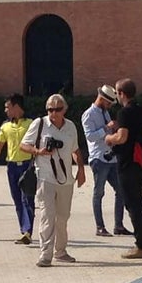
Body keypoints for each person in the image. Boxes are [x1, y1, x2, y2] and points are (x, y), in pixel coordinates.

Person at [24, 92, 86, 266]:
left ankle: (61, 251)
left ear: (64, 109)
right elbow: (24, 144)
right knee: (47, 215)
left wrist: (81, 169)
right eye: (50, 109)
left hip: (66, 179)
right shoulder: (40, 124)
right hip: (45, 177)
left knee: (63, 217)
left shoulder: (71, 127)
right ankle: (45, 254)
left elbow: (75, 149)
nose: (54, 113)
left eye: (57, 109)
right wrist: (38, 152)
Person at [102, 77, 142, 259]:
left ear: (122, 94)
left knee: (133, 206)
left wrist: (109, 138)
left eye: (117, 93)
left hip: (129, 165)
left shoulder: (125, 113)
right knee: (137, 205)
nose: (116, 96)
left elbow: (123, 138)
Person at [0, 94, 37, 245]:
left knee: (26, 198)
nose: (5, 110)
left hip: (28, 165)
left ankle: (28, 231)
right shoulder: (5, 126)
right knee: (17, 199)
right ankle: (24, 230)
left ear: (16, 107)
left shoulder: (32, 123)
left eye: (7, 107)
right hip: (12, 166)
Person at [81, 85, 127, 238]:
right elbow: (90, 136)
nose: (109, 106)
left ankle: (118, 225)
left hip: (110, 157)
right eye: (108, 103)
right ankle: (100, 227)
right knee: (99, 193)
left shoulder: (105, 112)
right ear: (102, 99)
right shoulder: (88, 114)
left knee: (120, 190)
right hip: (98, 158)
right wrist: (107, 128)